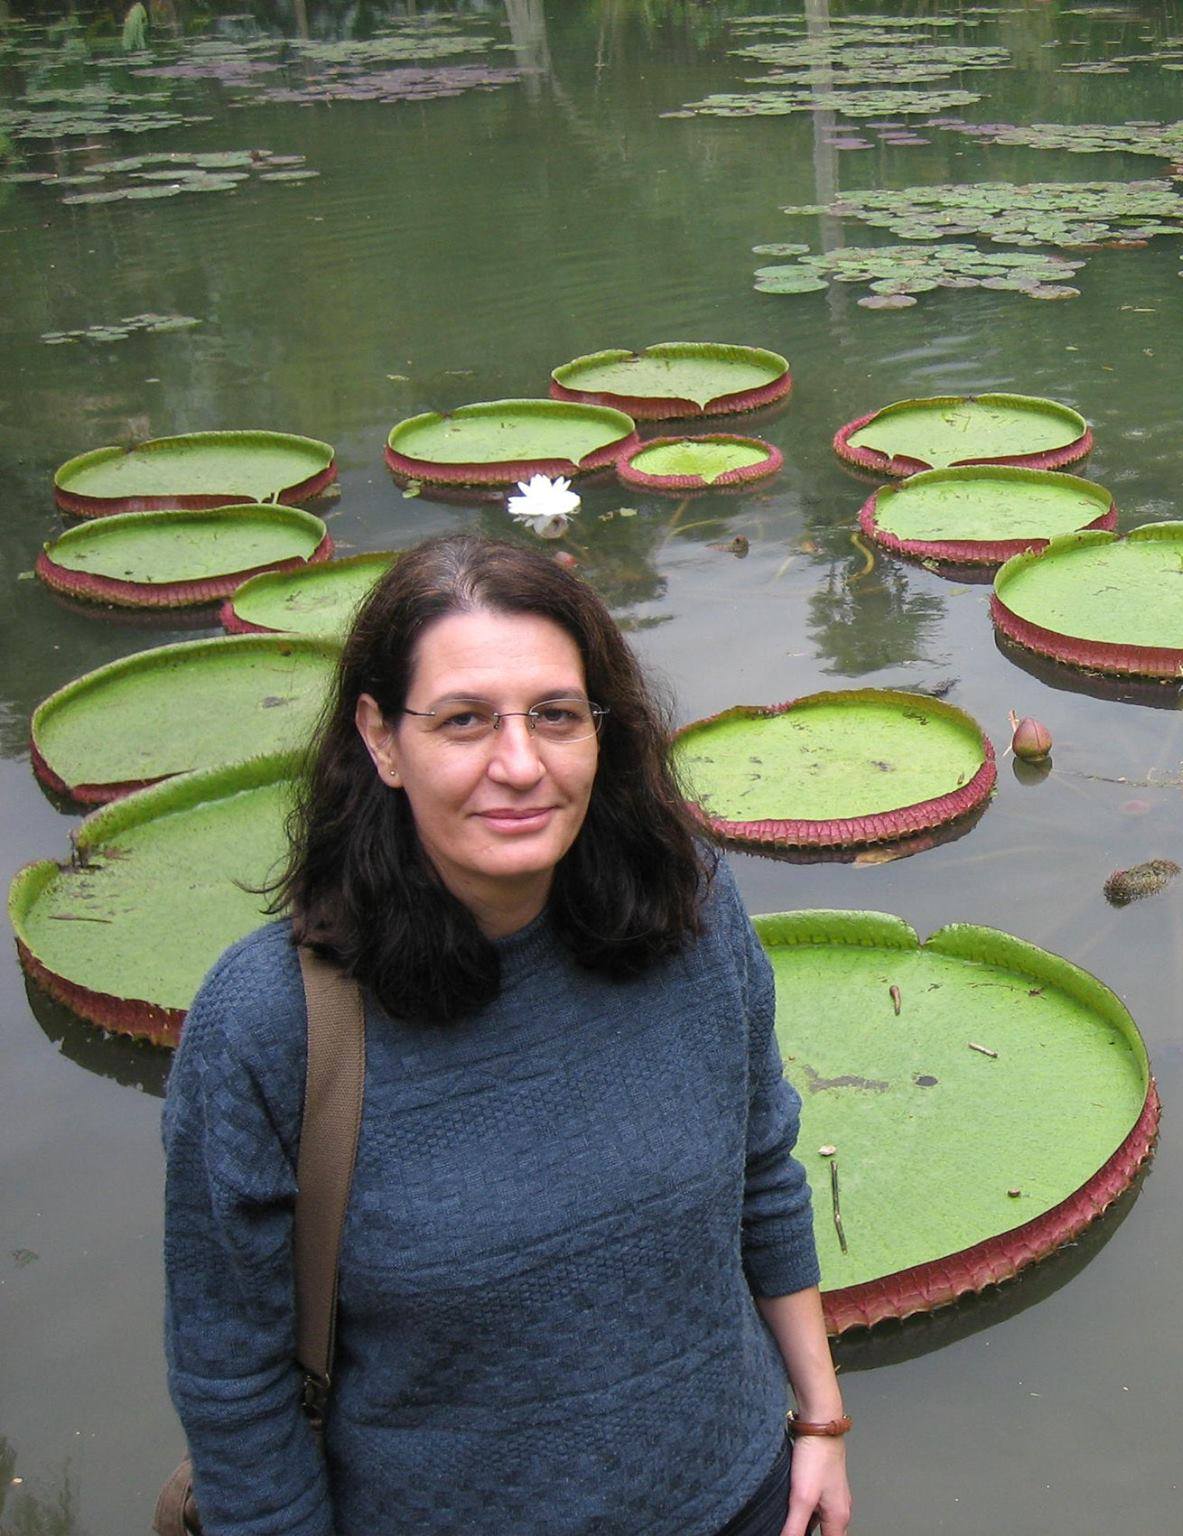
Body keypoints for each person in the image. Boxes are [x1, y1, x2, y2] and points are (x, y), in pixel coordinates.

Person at [162, 532, 853, 1536]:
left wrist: (822, 1420)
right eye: (464, 721)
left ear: (602, 731)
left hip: (740, 1498)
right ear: (382, 738)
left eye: (557, 716)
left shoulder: (690, 911)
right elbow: (234, 1384)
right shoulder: (274, 1023)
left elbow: (765, 1171)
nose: (520, 764)